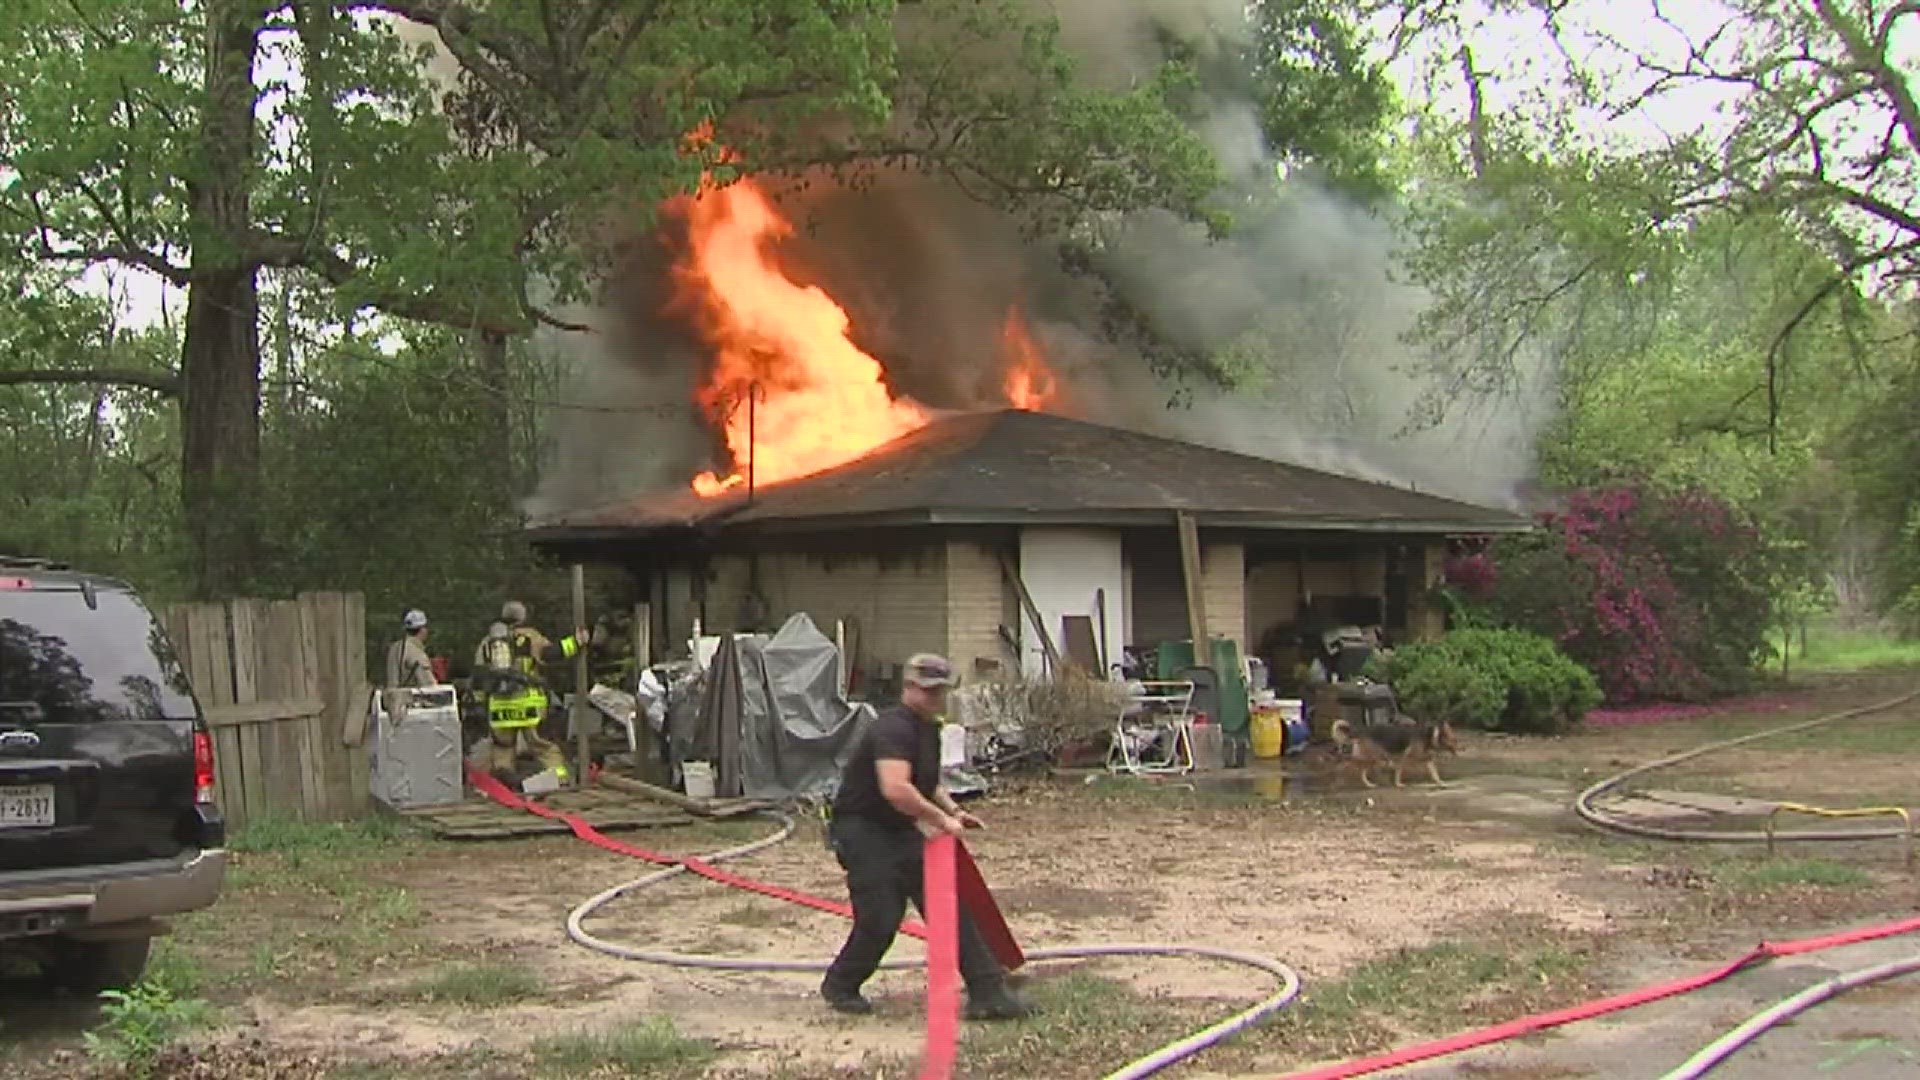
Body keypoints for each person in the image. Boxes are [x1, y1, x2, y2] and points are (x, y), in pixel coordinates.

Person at [820, 653, 1029, 1020]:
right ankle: (841, 984)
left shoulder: (927, 728)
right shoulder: (893, 729)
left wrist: (953, 811)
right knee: (881, 916)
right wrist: (939, 821)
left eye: (941, 691)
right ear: (909, 687)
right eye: (928, 690)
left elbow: (925, 784)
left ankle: (987, 993)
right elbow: (896, 789)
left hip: (899, 828)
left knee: (947, 904)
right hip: (864, 831)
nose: (935, 698)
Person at [473, 600, 590, 783]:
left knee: (503, 748)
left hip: (499, 707)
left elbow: (479, 676)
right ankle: (560, 781)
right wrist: (576, 642)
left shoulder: (488, 642)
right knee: (543, 746)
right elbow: (551, 654)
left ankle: (505, 787)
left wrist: (481, 704)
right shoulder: (530, 636)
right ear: (523, 617)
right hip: (529, 704)